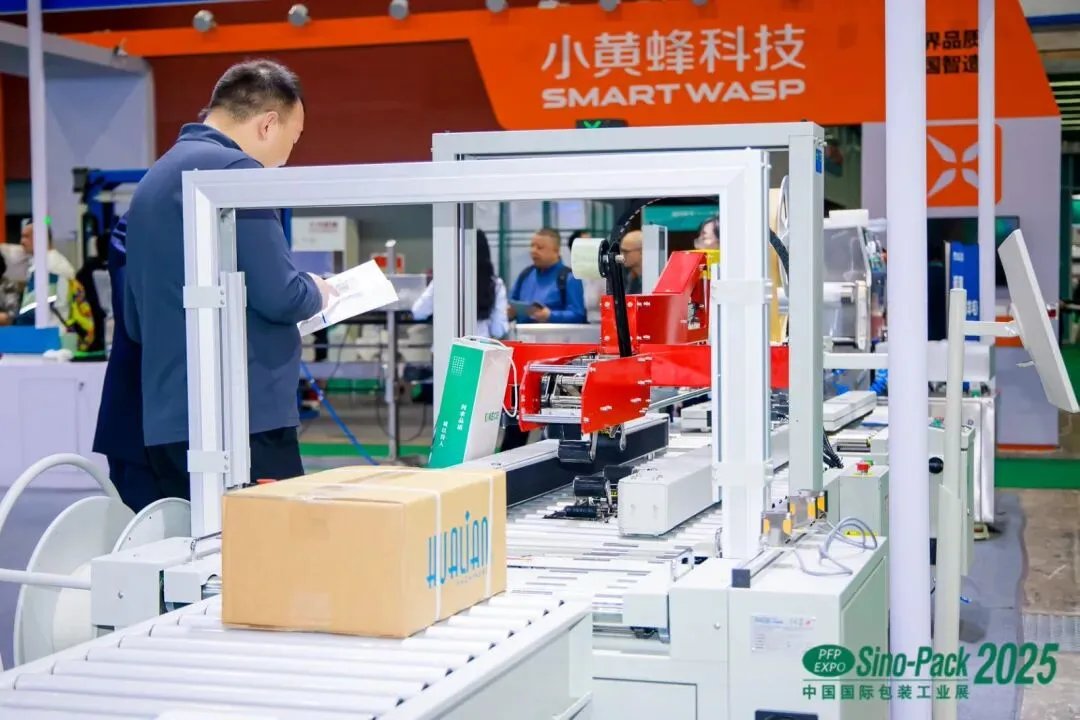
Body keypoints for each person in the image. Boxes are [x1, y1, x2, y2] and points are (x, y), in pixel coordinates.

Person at [124, 59, 334, 499]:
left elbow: (134, 320)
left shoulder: (153, 180)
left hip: (168, 422)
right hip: (243, 422)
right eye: (294, 138)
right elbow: (281, 295)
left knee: (199, 541)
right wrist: (318, 290)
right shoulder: (236, 174)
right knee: (264, 542)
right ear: (268, 125)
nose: (288, 155)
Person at [93, 216, 163, 512]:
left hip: (180, 421)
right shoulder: (136, 225)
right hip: (138, 415)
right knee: (141, 525)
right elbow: (141, 317)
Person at [411, 229, 508, 339]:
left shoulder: (444, 279)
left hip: (446, 345)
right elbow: (498, 330)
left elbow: (418, 312)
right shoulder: (495, 284)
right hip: (479, 346)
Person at [508, 228, 586, 325]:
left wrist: (550, 316)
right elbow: (511, 303)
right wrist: (509, 313)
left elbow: (578, 315)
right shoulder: (526, 274)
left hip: (554, 334)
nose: (533, 251)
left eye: (539, 248)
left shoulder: (569, 278)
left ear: (556, 251)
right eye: (532, 246)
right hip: (523, 333)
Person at [17, 223, 76, 328]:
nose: (22, 242)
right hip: (53, 329)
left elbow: (32, 309)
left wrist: (14, 323)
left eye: (26, 237)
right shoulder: (50, 262)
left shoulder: (49, 266)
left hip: (51, 330)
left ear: (40, 237)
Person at [569, 230, 605, 323]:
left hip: (597, 324)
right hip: (574, 325)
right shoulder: (567, 276)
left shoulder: (602, 274)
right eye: (586, 245)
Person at [619, 230, 643, 295]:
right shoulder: (626, 276)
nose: (621, 255)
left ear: (641, 251)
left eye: (625, 251)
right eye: (621, 251)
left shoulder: (654, 279)